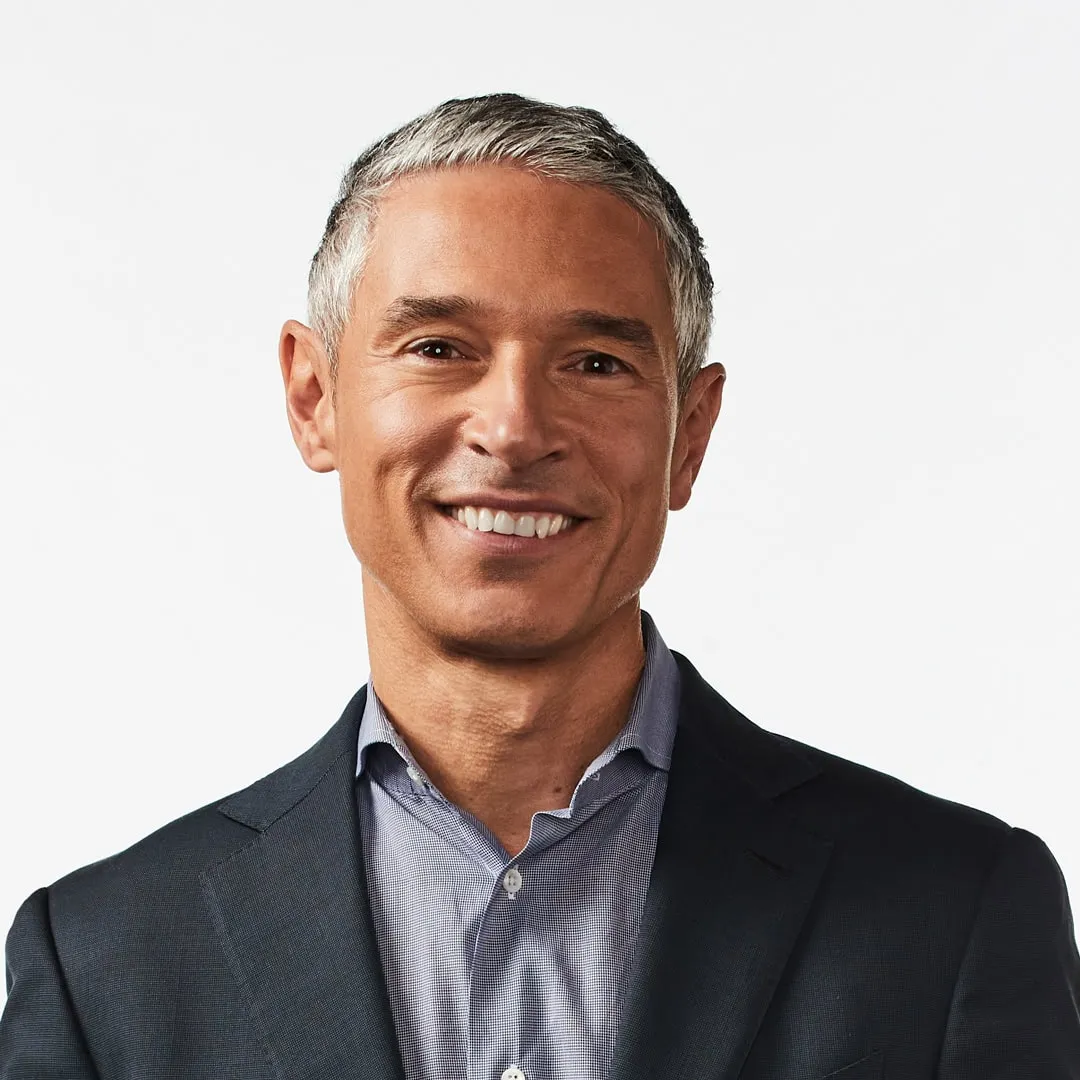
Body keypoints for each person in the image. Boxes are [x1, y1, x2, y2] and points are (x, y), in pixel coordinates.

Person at [1, 92, 1077, 1080]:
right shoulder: (108, 968)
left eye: (597, 363)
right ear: (315, 397)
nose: (514, 428)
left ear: (689, 439)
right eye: (438, 346)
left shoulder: (957, 917)